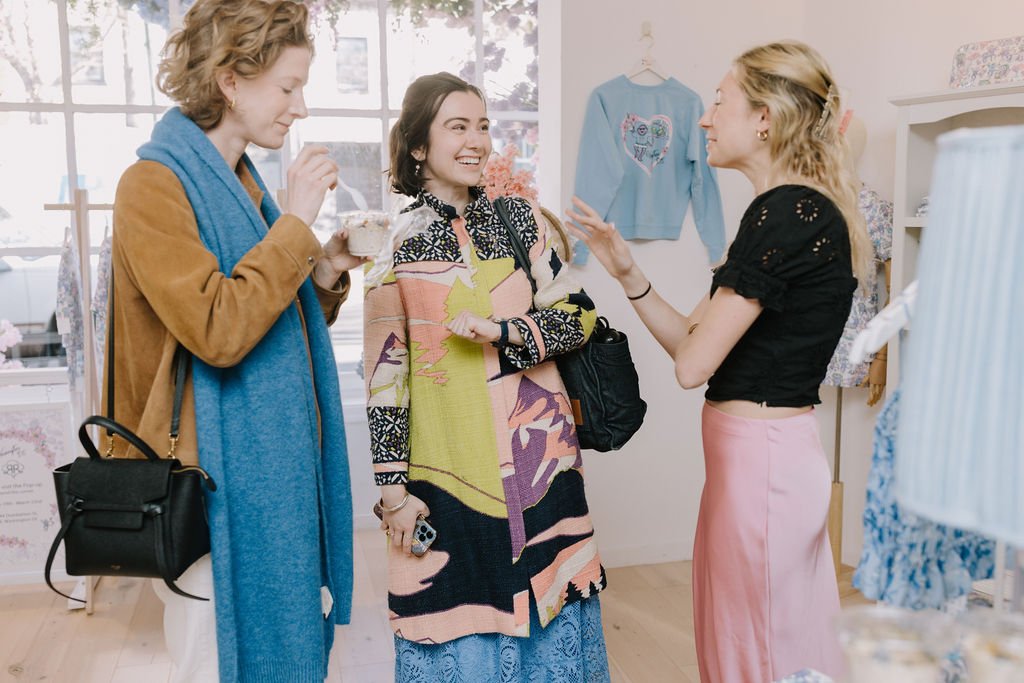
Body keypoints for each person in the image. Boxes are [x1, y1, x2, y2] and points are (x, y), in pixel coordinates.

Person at [567, 41, 872, 682]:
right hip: (757, 460)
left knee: (758, 652)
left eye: (718, 101)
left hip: (762, 464)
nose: (705, 119)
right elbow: (690, 342)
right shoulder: (785, 211)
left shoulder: (787, 212)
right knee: (758, 641)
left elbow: (691, 365)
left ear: (765, 117)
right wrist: (627, 271)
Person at [107, 1, 361, 680]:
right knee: (214, 662)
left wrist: (325, 270)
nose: (299, 107)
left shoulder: (244, 186)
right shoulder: (151, 188)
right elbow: (218, 329)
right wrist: (297, 227)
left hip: (270, 475)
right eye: (287, 86)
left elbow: (274, 327)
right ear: (230, 80)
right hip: (206, 484)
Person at [363, 71, 611, 682]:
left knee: (550, 609)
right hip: (449, 472)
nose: (477, 141)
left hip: (542, 474)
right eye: (458, 127)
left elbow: (579, 316)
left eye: (483, 127)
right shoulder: (391, 245)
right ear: (418, 146)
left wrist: (506, 333)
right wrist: (393, 491)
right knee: (454, 616)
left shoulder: (520, 222)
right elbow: (384, 377)